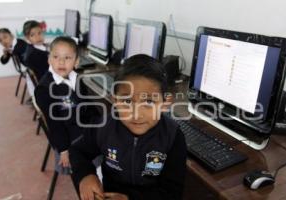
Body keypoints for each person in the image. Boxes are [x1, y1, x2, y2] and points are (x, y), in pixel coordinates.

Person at [70, 54, 187, 200]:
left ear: (165, 103)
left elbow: (172, 193)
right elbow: (77, 151)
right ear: (115, 100)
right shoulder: (103, 127)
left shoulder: (173, 137)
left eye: (149, 102)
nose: (136, 114)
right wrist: (85, 176)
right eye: (127, 101)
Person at [34, 36, 99, 177]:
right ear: (49, 59)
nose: (61, 62)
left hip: (84, 129)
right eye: (56, 57)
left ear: (76, 62)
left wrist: (102, 124)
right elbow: (54, 124)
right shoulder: (45, 89)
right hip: (70, 141)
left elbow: (88, 105)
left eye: (67, 58)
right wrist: (64, 150)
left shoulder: (76, 78)